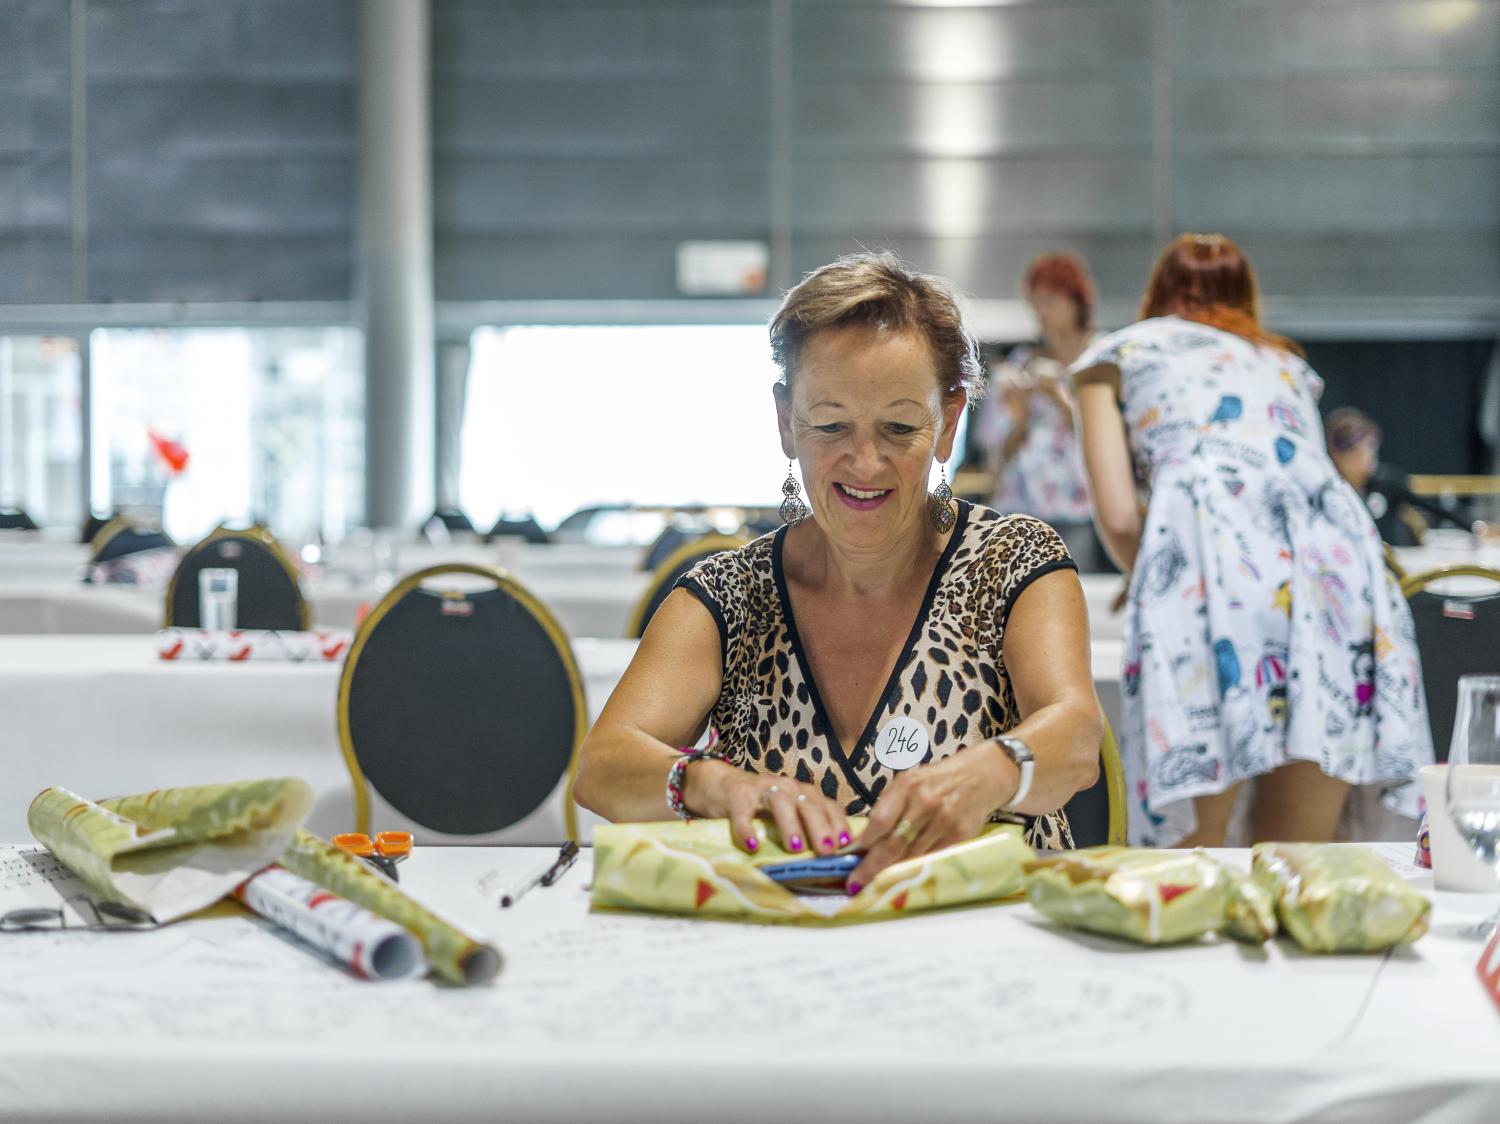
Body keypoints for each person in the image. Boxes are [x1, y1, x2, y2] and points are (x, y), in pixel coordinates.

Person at [575, 252, 1102, 889]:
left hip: (994, 931)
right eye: (830, 426)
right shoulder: (730, 595)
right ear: (785, 423)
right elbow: (603, 767)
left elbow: (1077, 738)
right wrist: (709, 783)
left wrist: (994, 770)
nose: (865, 462)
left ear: (948, 424)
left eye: (899, 427)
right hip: (784, 938)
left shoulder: (1014, 562)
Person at [1070, 233, 1433, 847]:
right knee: (1295, 856)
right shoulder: (1286, 365)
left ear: (1158, 294)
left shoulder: (1117, 355)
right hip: (1334, 579)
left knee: (1193, 855)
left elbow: (1121, 519)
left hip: (1213, 568)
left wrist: (1155, 574)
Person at [974, 253, 1106, 570]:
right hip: (1018, 511)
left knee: (1076, 589)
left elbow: (1109, 441)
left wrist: (1058, 398)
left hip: (1078, 512)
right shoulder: (1019, 365)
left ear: (1076, 301)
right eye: (1035, 303)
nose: (1041, 312)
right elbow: (994, 462)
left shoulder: (1101, 359)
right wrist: (1020, 419)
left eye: (1050, 301)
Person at [1325, 406, 1470, 547]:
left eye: (1370, 450)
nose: (1366, 459)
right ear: (1337, 456)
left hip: (1389, 556)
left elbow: (1431, 505)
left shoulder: (1386, 481)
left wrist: (1472, 527)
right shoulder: (1328, 489)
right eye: (1357, 454)